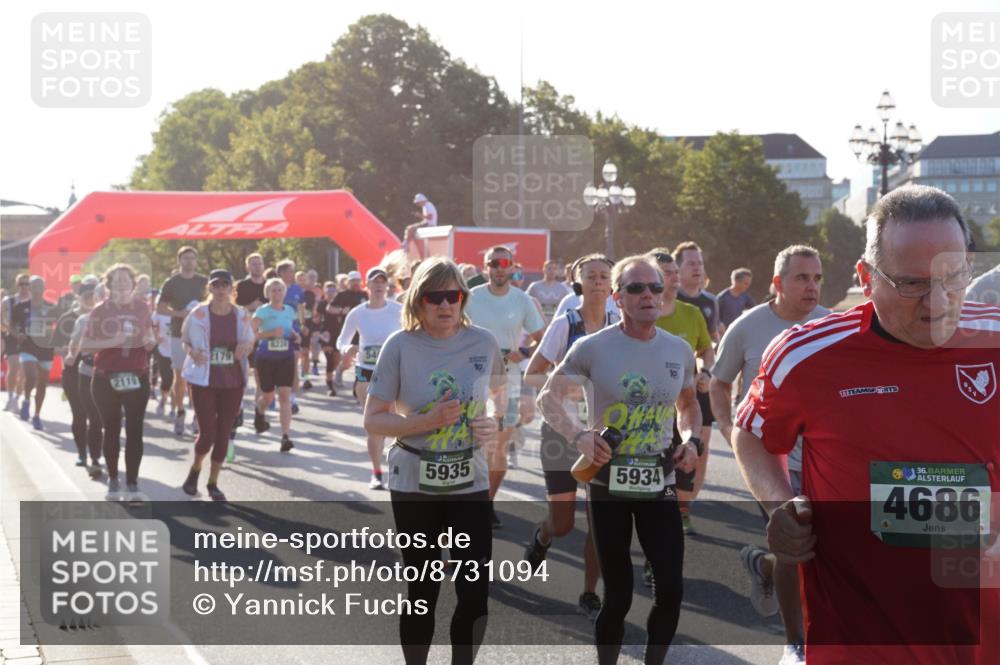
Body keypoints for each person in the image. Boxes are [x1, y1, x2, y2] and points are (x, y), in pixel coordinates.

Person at [733, 185, 999, 665]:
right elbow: (752, 432)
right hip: (861, 636)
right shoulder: (805, 354)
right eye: (912, 284)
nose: (938, 303)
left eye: (954, 277)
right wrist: (778, 505)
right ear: (866, 277)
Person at [538, 255, 701, 665]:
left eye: (655, 287)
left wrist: (691, 441)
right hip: (607, 480)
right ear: (618, 297)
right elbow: (547, 397)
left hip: (659, 480)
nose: (648, 295)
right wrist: (579, 435)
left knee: (671, 590)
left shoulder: (678, 349)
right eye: (636, 288)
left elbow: (688, 405)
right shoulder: (592, 347)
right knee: (619, 594)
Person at [363, 257, 503, 665]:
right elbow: (373, 418)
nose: (445, 305)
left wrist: (492, 422)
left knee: (474, 592)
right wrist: (424, 421)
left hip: (469, 478)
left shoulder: (484, 342)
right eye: (434, 297)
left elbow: (499, 400)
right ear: (418, 301)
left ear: (463, 299)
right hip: (414, 479)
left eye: (453, 296)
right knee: (422, 589)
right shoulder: (400, 345)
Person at [709, 245, 827, 665]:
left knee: (821, 550)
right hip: (769, 458)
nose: (811, 287)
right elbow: (719, 383)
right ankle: (796, 644)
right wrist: (728, 428)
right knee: (795, 543)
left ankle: (762, 566)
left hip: (821, 459)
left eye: (817, 278)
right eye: (802, 278)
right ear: (778, 283)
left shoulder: (832, 325)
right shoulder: (748, 326)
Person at [523, 254, 617, 621]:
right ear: (579, 282)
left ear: (613, 283)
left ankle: (589, 593)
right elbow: (533, 374)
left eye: (604, 276)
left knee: (599, 522)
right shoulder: (566, 323)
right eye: (591, 276)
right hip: (562, 430)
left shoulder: (619, 324)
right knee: (562, 524)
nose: (598, 281)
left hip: (602, 433)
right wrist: (564, 390)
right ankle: (542, 537)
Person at [465, 245, 545, 527]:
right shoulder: (471, 297)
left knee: (498, 448)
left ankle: (487, 503)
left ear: (512, 267)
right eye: (493, 263)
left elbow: (541, 337)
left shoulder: (522, 300)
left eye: (504, 263)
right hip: (472, 380)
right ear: (485, 267)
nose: (499, 268)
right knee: (471, 444)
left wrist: (523, 352)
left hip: (507, 380)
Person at [650, 250, 715, 536]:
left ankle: (682, 512)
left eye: (676, 272)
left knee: (689, 454)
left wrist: (705, 372)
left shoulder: (691, 313)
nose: (675, 277)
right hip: (650, 405)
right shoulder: (643, 315)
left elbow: (706, 349)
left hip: (686, 400)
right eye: (668, 273)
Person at [82, 264, 156, 501]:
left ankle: (132, 485)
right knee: (111, 429)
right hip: (106, 378)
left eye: (126, 279)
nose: (122, 283)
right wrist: (113, 341)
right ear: (109, 284)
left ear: (133, 284)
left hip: (137, 376)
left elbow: (149, 335)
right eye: (117, 280)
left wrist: (150, 340)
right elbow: (85, 345)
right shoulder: (100, 311)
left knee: (135, 431)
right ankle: (113, 481)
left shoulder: (143, 308)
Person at [180, 270, 255, 501]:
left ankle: (213, 483)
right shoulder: (198, 314)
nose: (221, 289)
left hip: (232, 381)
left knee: (224, 433)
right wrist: (192, 351)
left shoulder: (241, 315)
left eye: (225, 285)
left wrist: (245, 347)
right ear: (210, 288)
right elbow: (185, 341)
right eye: (216, 285)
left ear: (232, 289)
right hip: (204, 380)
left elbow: (250, 341)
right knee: (208, 434)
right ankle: (195, 469)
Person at [336, 267, 402, 489]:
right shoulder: (358, 313)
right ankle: (376, 473)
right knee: (374, 425)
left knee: (397, 422)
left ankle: (397, 468)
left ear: (387, 286)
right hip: (365, 371)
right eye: (375, 282)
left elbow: (413, 333)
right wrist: (346, 349)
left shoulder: (398, 310)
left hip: (394, 371)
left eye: (383, 282)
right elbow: (342, 339)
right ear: (368, 285)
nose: (379, 285)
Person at [158, 246, 207, 436]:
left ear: (196, 261)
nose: (189, 261)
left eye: (192, 258)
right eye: (185, 258)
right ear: (179, 261)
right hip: (178, 333)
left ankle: (197, 416)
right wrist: (180, 314)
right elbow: (160, 308)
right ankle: (180, 411)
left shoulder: (203, 282)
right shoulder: (172, 283)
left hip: (202, 335)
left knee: (200, 377)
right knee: (180, 377)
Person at [53, 278, 101, 470]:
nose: (90, 300)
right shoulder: (68, 319)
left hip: (97, 373)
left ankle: (96, 457)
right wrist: (69, 351)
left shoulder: (103, 318)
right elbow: (55, 348)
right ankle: (82, 453)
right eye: (86, 296)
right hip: (73, 373)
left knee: (96, 417)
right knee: (79, 414)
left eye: (93, 296)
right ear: (78, 297)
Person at [251, 277, 300, 451]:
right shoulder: (262, 311)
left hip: (285, 357)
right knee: (268, 396)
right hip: (266, 358)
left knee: (285, 395)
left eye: (280, 290)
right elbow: (251, 333)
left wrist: (294, 335)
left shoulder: (290, 311)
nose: (277, 293)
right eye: (273, 290)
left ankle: (285, 437)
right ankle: (259, 410)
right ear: (268, 293)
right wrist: (269, 333)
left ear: (284, 292)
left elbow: (288, 328)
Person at [11, 276, 57, 429]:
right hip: (28, 346)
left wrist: (53, 332)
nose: (37, 289)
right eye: (34, 286)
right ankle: (26, 400)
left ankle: (37, 415)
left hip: (45, 348)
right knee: (31, 376)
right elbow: (12, 325)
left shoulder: (52, 307)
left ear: (44, 288)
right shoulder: (20, 306)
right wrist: (18, 334)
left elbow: (60, 327)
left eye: (40, 286)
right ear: (29, 288)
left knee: (42, 384)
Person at [330, 270, 368, 387]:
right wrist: (341, 311)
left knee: (361, 358)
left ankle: (359, 384)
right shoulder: (342, 295)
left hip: (362, 331)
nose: (356, 283)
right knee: (348, 360)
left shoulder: (364, 295)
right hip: (348, 331)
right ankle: (340, 369)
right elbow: (329, 308)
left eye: (357, 281)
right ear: (348, 282)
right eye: (353, 281)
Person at [2, 275, 31, 412]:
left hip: (28, 339)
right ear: (17, 284)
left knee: (24, 372)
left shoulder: (34, 301)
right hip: (12, 338)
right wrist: (11, 330)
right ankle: (10, 397)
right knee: (13, 368)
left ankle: (17, 399)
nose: (24, 286)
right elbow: (1, 319)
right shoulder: (8, 300)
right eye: (21, 283)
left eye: (26, 283)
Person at [315, 281, 342, 396]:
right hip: (326, 334)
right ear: (324, 292)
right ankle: (330, 384)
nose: (331, 293)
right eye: (328, 290)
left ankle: (332, 375)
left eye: (333, 290)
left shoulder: (339, 303)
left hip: (338, 334)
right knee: (329, 359)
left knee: (337, 358)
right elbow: (316, 319)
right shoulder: (322, 304)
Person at [526, 259, 573, 325]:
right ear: (544, 269)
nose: (552, 271)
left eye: (554, 269)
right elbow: (525, 304)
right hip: (537, 324)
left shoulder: (562, 289)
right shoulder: (534, 287)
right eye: (549, 268)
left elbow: (567, 307)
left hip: (555, 324)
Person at [402, 193, 438, 258]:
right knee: (410, 228)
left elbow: (430, 217)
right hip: (427, 223)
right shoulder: (426, 206)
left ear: (421, 201)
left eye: (418, 203)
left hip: (429, 225)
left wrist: (420, 215)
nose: (418, 204)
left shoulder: (428, 205)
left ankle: (406, 244)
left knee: (410, 228)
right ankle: (406, 243)